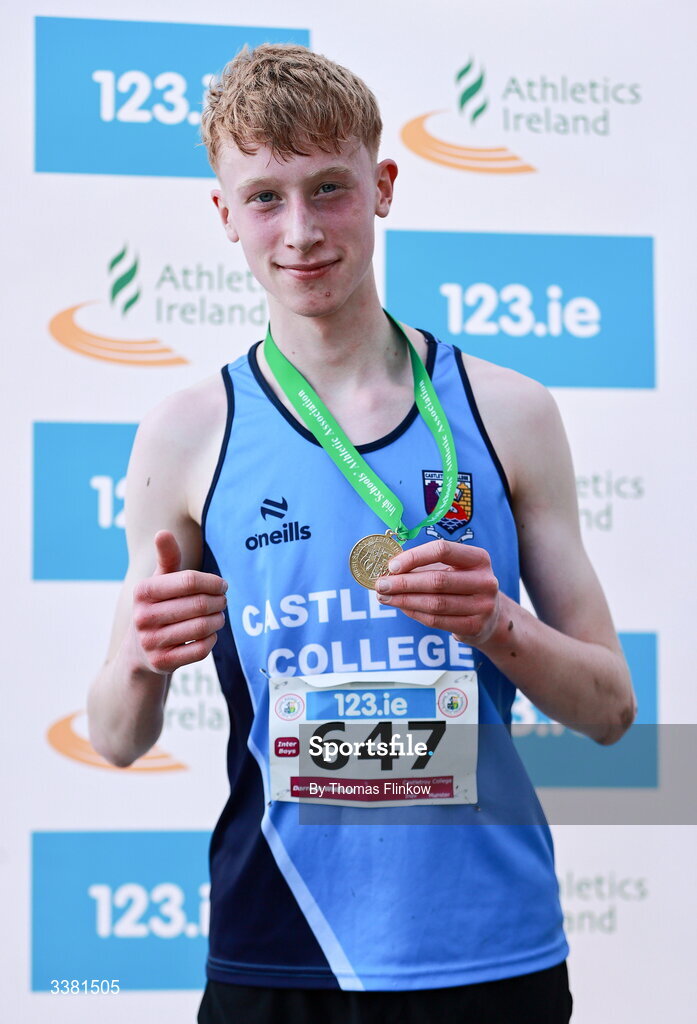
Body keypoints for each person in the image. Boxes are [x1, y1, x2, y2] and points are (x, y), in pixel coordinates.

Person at [87, 43, 636, 1024]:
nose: (299, 232)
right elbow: (118, 738)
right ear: (223, 214)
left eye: (328, 188)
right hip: (278, 945)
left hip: (487, 950)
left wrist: (495, 624)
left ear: (381, 186)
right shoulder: (187, 431)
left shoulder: (507, 411)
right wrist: (138, 657)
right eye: (263, 197)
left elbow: (609, 711)